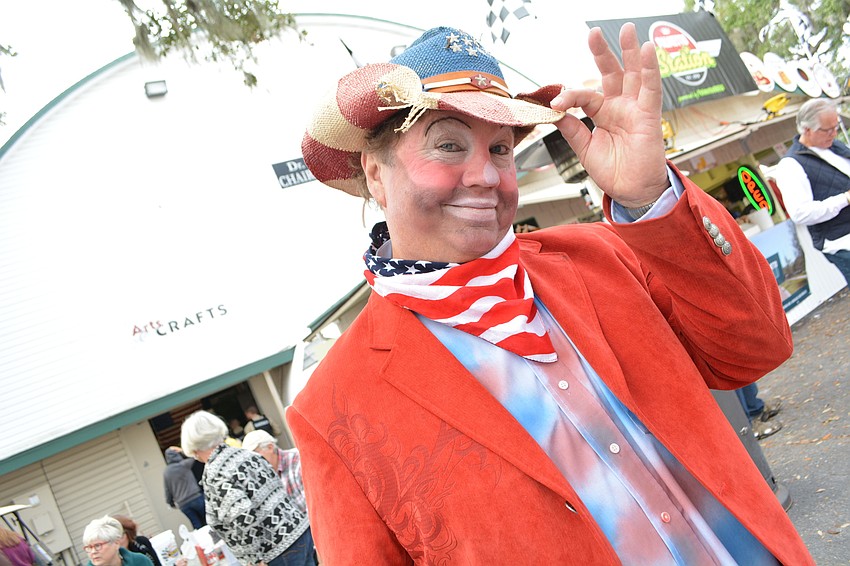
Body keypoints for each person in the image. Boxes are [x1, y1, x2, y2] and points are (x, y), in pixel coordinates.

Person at [286, 24, 814, 564]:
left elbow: (757, 349)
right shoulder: (332, 407)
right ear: (376, 175)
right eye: (448, 145)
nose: (486, 175)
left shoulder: (600, 255)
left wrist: (649, 195)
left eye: (500, 148)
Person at [180, 410, 314, 566]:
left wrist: (254, 558)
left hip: (276, 550)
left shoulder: (216, 473)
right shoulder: (247, 454)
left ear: (193, 447)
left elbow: (241, 514)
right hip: (300, 531)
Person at [773, 98, 850, 284]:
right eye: (828, 129)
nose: (834, 133)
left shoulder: (835, 145)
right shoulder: (790, 166)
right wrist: (845, 198)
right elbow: (800, 213)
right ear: (807, 130)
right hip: (842, 242)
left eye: (836, 126)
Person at [242, 430, 308, 514]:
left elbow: (314, 504)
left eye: (255, 455)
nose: (253, 462)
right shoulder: (263, 475)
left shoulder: (297, 459)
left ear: (270, 447)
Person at [163, 446, 207, 529]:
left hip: (183, 505)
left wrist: (170, 503)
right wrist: (182, 450)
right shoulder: (184, 464)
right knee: (208, 520)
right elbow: (195, 456)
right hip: (196, 498)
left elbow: (167, 490)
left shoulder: (166, 472)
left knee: (197, 526)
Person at [82, 516, 152, 566]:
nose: (93, 552)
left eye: (97, 545)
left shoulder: (140, 561)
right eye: (89, 547)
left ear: (116, 543)